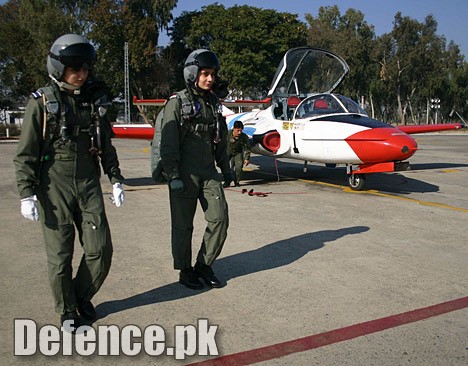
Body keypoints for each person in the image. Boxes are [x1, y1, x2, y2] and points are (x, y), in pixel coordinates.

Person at [14, 34, 125, 329]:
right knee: (61, 256)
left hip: (89, 184)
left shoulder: (92, 103)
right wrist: (26, 193)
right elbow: (26, 153)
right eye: (75, 68)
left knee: (100, 250)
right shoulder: (41, 104)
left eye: (86, 69)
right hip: (54, 186)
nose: (81, 75)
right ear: (58, 67)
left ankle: (80, 295)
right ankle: (66, 310)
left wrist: (115, 178)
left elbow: (106, 145)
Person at [156, 49, 232, 289]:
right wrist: (173, 176)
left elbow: (220, 139)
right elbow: (168, 144)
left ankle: (204, 265)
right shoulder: (177, 103)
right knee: (183, 226)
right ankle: (185, 270)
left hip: (208, 173)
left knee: (219, 219)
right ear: (193, 73)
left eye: (213, 74)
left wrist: (227, 169)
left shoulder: (214, 104)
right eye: (205, 73)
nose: (210, 79)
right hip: (184, 174)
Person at [227, 120, 251, 186]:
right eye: (238, 130)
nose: (239, 132)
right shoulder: (227, 134)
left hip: (238, 153)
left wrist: (246, 158)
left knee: (239, 167)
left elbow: (247, 148)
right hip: (227, 152)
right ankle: (227, 182)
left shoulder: (244, 137)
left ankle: (237, 182)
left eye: (241, 130)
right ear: (234, 129)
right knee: (226, 168)